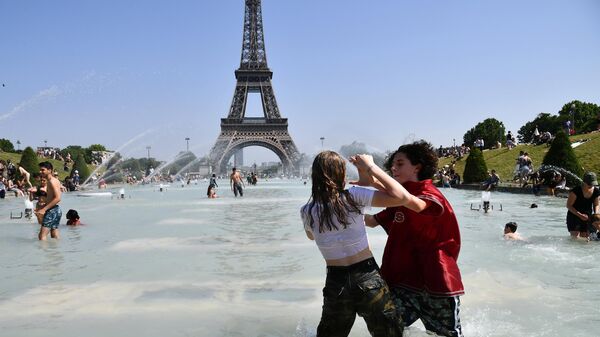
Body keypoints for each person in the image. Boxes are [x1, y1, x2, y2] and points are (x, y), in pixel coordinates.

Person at [302, 151, 418, 337]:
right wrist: (371, 168)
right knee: (391, 333)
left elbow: (311, 237)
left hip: (335, 282)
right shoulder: (353, 197)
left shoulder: (307, 211)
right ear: (341, 174)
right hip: (367, 277)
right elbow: (402, 197)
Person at [364, 140, 464, 337]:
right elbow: (371, 221)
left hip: (436, 284)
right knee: (384, 329)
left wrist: (372, 169)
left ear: (417, 167)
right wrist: (336, 213)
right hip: (404, 282)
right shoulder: (400, 199)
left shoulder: (428, 194)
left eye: (400, 164)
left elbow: (414, 204)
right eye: (392, 164)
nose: (393, 168)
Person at [566, 172, 600, 239]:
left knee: (585, 238)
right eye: (589, 184)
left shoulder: (596, 191)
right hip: (574, 216)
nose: (591, 185)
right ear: (584, 182)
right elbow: (569, 205)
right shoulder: (576, 191)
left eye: (593, 184)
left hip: (588, 216)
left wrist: (596, 214)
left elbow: (596, 204)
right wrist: (580, 215)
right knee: (575, 237)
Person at [35, 162, 62, 240]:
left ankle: (43, 252)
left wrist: (44, 209)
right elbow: (52, 197)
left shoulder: (51, 181)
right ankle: (55, 251)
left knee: (42, 236)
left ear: (49, 170)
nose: (40, 172)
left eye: (43, 170)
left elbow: (58, 198)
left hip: (52, 211)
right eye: (40, 170)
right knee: (54, 235)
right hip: (56, 210)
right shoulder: (54, 180)